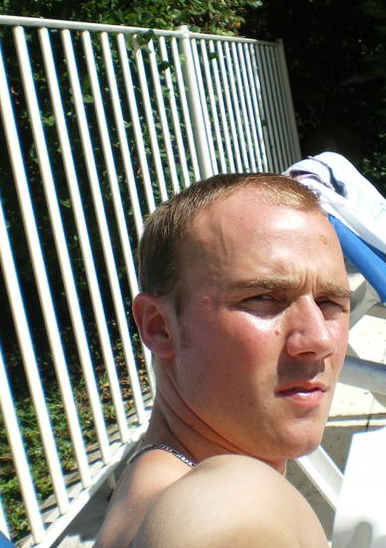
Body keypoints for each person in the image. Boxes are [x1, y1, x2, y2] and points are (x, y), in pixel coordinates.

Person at [94, 173, 350, 548]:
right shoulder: (232, 493)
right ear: (159, 327)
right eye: (262, 299)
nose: (319, 340)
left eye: (329, 302)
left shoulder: (150, 481)